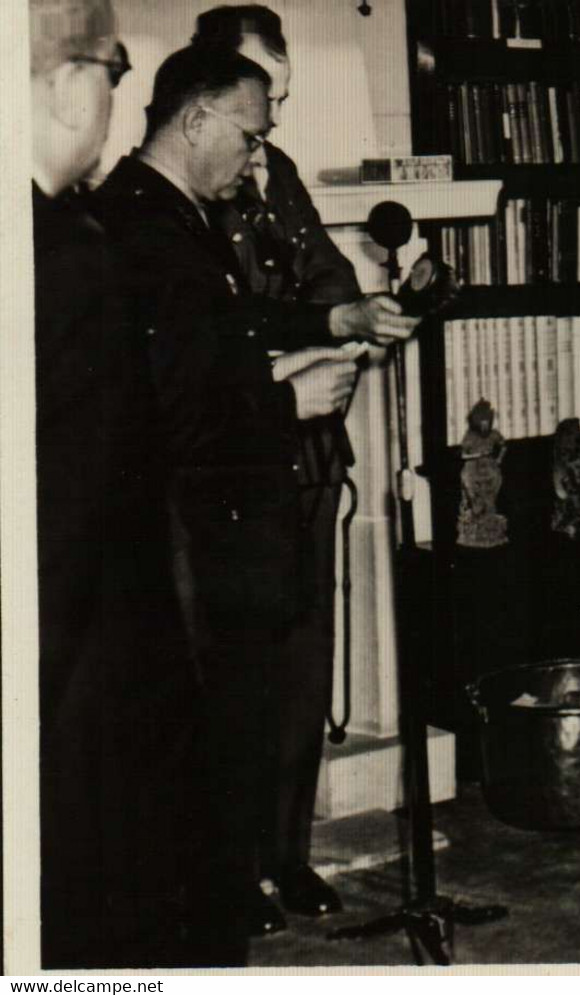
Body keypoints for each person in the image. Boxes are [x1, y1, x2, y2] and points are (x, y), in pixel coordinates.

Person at [94, 43, 415, 964]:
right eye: (249, 134)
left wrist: (333, 321)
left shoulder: (178, 218)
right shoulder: (143, 231)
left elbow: (227, 330)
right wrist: (287, 400)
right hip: (181, 544)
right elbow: (168, 400)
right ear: (195, 120)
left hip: (210, 538)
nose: (258, 157)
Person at [191, 3, 406, 932]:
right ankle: (228, 864)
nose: (271, 121)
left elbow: (325, 280)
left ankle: (288, 854)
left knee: (302, 663)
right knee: (233, 673)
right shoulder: (187, 194)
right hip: (237, 461)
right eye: (257, 99)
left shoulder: (278, 178)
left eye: (281, 97)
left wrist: (361, 322)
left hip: (312, 456)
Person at [31, 0, 197, 968]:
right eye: (113, 71)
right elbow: (67, 531)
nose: (115, 98)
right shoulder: (69, 258)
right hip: (84, 714)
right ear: (64, 88)